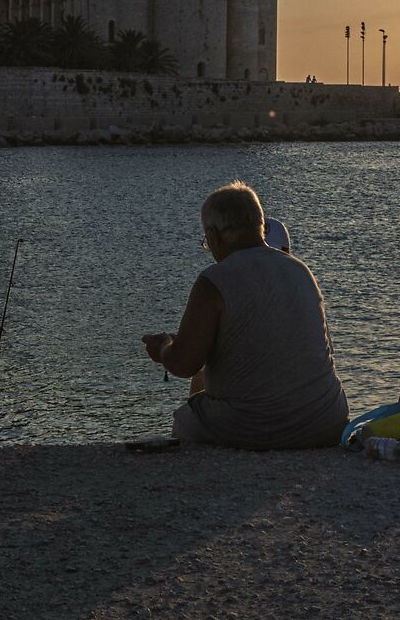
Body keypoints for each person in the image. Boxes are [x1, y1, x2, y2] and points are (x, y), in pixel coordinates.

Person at [143, 181, 348, 449]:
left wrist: (163, 347)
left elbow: (184, 364)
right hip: (326, 422)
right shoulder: (301, 271)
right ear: (260, 226)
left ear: (214, 236)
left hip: (254, 428)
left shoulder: (214, 280)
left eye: (207, 241)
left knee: (188, 416)